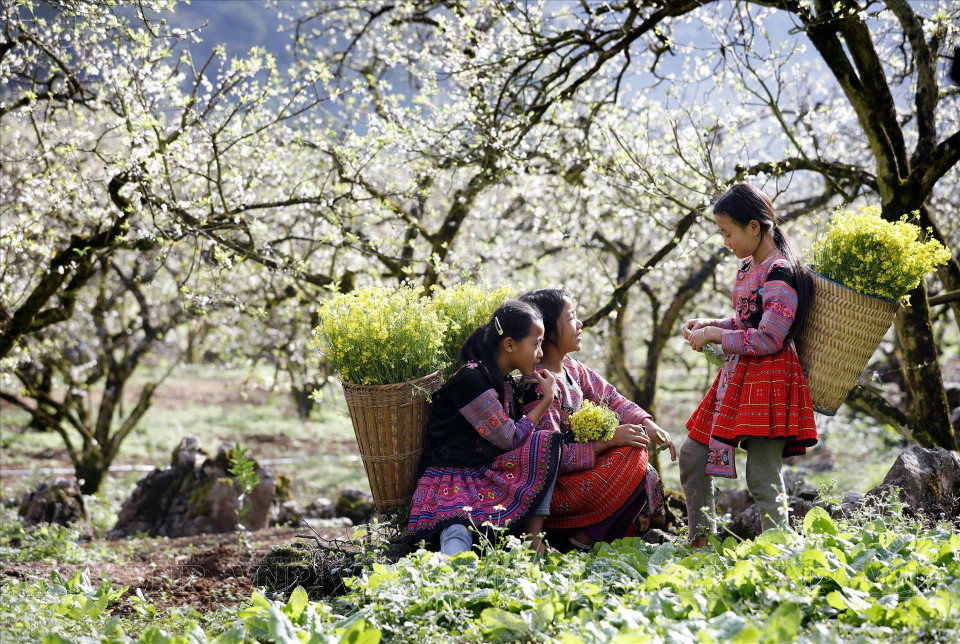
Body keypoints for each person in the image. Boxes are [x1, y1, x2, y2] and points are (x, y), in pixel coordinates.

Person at [680, 183, 818, 547]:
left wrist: (714, 335)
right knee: (693, 453)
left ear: (754, 227)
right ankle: (700, 542)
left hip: (771, 376)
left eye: (729, 232)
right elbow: (746, 323)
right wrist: (709, 324)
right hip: (739, 374)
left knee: (761, 474)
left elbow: (770, 338)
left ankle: (778, 551)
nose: (726, 241)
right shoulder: (748, 267)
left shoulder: (781, 272)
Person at [515, 289, 676, 552]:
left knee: (641, 462)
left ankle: (590, 539)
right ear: (547, 330)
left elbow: (612, 398)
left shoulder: (572, 369)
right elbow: (550, 457)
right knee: (633, 456)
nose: (580, 325)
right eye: (571, 318)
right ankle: (584, 538)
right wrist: (610, 440)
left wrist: (649, 424)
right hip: (556, 492)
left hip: (583, 476)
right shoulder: (538, 385)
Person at [407, 300, 563, 555]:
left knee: (543, 443)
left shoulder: (503, 381)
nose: (540, 353)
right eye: (536, 344)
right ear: (509, 344)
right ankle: (448, 575)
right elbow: (508, 437)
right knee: (457, 527)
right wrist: (545, 401)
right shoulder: (472, 380)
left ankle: (532, 540)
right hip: (449, 476)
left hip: (480, 472)